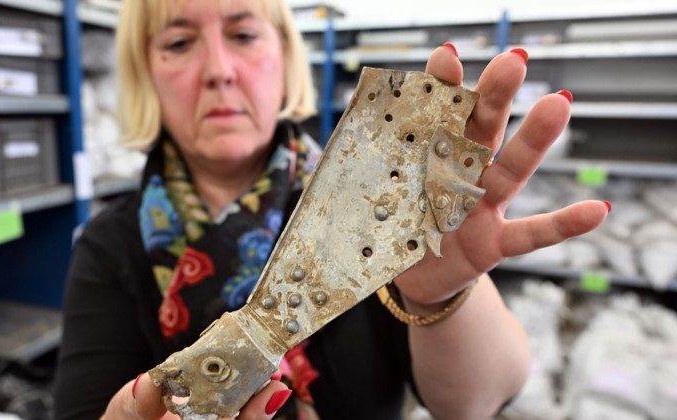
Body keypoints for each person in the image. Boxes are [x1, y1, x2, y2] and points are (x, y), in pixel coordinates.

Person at [53, 0, 610, 419]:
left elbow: (477, 403)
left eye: (243, 34)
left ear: (284, 57)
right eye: (178, 43)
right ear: (145, 72)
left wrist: (441, 293)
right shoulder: (108, 244)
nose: (219, 70)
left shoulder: (385, 205)